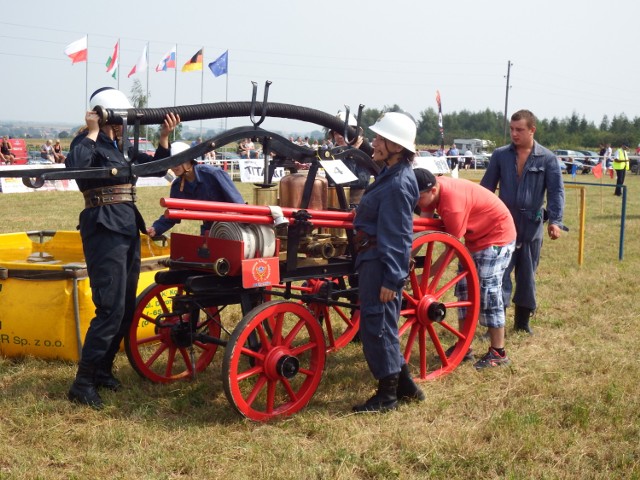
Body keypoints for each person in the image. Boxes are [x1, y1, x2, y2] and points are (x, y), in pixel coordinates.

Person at [65, 86, 180, 409]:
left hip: (127, 227)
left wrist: (164, 139)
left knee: (125, 307)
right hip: (104, 227)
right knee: (110, 307)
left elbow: (157, 168)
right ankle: (82, 382)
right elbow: (75, 165)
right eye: (115, 120)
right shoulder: (85, 143)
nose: (120, 126)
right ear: (102, 117)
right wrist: (91, 130)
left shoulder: (122, 148)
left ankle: (102, 370)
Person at [351, 112, 423, 413]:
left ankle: (387, 396)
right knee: (380, 323)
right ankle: (406, 387)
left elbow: (398, 235)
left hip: (381, 261)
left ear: (396, 145)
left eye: (380, 138)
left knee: (376, 324)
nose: (375, 142)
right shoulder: (390, 173)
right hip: (373, 257)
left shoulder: (396, 184)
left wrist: (392, 280)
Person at [413, 169, 516, 369]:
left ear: (433, 190)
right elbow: (424, 231)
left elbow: (452, 247)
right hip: (475, 238)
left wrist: (427, 274)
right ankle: (465, 346)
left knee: (488, 290)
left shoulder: (453, 206)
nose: (415, 203)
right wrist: (406, 257)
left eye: (417, 198)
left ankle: (498, 352)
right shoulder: (432, 189)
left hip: (497, 237)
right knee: (464, 290)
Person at [480, 109, 564, 335]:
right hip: (502, 225)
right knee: (499, 274)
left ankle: (522, 322)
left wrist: (555, 221)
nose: (514, 134)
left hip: (531, 225)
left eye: (520, 130)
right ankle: (495, 324)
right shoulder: (500, 155)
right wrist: (478, 215)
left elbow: (556, 192)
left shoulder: (547, 158)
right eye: (512, 129)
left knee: (527, 274)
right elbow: (487, 187)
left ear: (532, 130)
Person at [146, 142, 245, 238]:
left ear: (189, 159)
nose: (174, 167)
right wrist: (156, 228)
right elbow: (173, 214)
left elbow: (238, 204)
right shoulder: (177, 186)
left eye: (177, 161)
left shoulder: (213, 174)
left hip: (232, 228)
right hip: (208, 229)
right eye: (171, 163)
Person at [329, 111, 372, 205]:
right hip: (341, 205)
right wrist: (351, 153)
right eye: (336, 133)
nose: (339, 136)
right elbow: (345, 181)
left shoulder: (364, 153)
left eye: (342, 132)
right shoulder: (330, 156)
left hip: (363, 205)